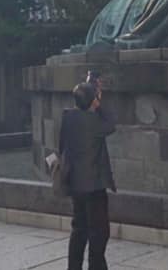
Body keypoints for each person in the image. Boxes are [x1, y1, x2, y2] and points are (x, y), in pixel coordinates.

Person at [59, 81, 116, 270]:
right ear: (92, 101)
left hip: (76, 183)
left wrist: (90, 93)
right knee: (99, 233)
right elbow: (111, 124)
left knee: (79, 230)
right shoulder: (94, 122)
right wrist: (99, 103)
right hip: (94, 185)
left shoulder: (68, 118)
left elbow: (61, 147)